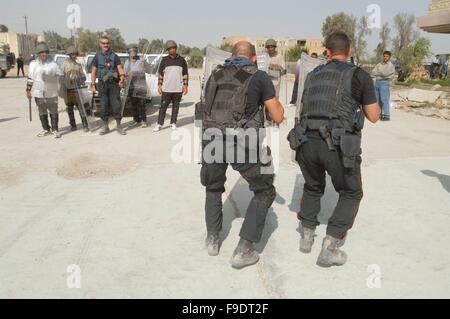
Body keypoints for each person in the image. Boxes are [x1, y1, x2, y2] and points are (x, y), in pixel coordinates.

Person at [289, 32, 380, 268]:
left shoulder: (313, 75)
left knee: (312, 186)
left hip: (306, 141)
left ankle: (307, 236)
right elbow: (373, 116)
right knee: (351, 192)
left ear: (327, 53)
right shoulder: (359, 75)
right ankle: (330, 246)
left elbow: (302, 108)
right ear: (349, 51)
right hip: (337, 145)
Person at [200, 41, 284, 269]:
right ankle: (244, 249)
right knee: (265, 191)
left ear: (231, 56)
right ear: (254, 59)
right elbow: (277, 116)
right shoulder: (259, 76)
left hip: (211, 139)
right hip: (242, 143)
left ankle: (212, 239)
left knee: (213, 188)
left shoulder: (214, 75)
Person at [91, 36, 127, 135]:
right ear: (100, 44)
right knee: (103, 105)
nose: (105, 45)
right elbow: (93, 71)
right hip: (102, 84)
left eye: (107, 43)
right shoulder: (97, 56)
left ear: (109, 44)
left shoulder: (115, 56)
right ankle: (105, 126)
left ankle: (119, 126)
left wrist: (122, 79)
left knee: (116, 105)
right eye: (103, 43)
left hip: (114, 84)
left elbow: (120, 68)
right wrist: (93, 85)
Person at [26, 43, 63, 138]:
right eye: (42, 53)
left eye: (46, 53)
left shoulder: (53, 64)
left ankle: (55, 130)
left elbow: (60, 75)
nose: (44, 55)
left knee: (53, 111)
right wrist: (28, 90)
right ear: (38, 54)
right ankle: (46, 129)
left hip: (51, 91)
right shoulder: (33, 64)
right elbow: (30, 78)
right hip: (38, 92)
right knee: (42, 111)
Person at [154, 40, 189, 132]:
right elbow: (160, 74)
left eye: (173, 48)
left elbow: (185, 74)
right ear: (167, 50)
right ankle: (159, 124)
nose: (172, 50)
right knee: (163, 107)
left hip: (178, 88)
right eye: (170, 49)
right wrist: (159, 85)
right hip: (166, 89)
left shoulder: (182, 60)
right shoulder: (164, 60)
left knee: (176, 106)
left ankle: (173, 123)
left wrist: (185, 86)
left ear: (176, 48)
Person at [62, 46, 89, 132]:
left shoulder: (78, 65)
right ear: (69, 55)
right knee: (70, 109)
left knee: (81, 108)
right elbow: (60, 77)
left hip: (77, 90)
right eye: (72, 54)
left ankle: (85, 124)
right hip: (68, 90)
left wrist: (80, 78)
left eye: (75, 54)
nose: (74, 56)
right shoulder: (64, 65)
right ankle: (73, 125)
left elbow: (83, 77)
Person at [124, 44, 148, 128]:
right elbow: (124, 73)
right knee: (133, 105)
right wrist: (127, 73)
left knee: (142, 104)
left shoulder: (141, 60)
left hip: (140, 85)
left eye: (134, 50)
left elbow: (148, 69)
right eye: (131, 51)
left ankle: (144, 120)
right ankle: (136, 120)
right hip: (131, 86)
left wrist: (144, 65)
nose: (133, 52)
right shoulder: (127, 62)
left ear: (137, 51)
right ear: (128, 52)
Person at [372, 51, 396, 121]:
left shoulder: (390, 65)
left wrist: (379, 73)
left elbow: (385, 73)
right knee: (377, 99)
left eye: (387, 56)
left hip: (384, 83)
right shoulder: (379, 64)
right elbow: (373, 72)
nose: (385, 57)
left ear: (389, 57)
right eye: (384, 56)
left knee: (384, 99)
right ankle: (379, 114)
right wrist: (380, 73)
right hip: (377, 82)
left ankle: (386, 115)